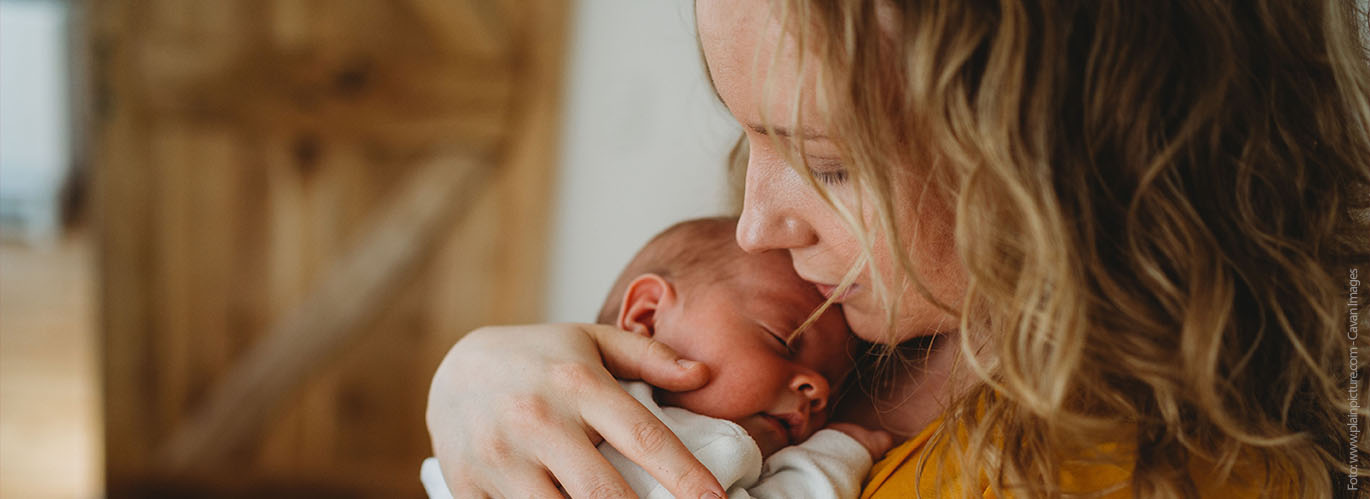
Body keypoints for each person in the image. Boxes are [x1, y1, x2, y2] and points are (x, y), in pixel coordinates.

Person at [426, 0, 1370, 497]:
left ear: (1055, 155)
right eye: (748, 133)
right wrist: (479, 380)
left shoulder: (1143, 467)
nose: (756, 224)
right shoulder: (840, 321)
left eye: (829, 164)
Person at [423, 217, 894, 498]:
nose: (819, 388)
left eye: (833, 382)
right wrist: (839, 452)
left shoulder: (748, 464)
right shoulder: (549, 401)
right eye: (781, 341)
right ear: (647, 317)